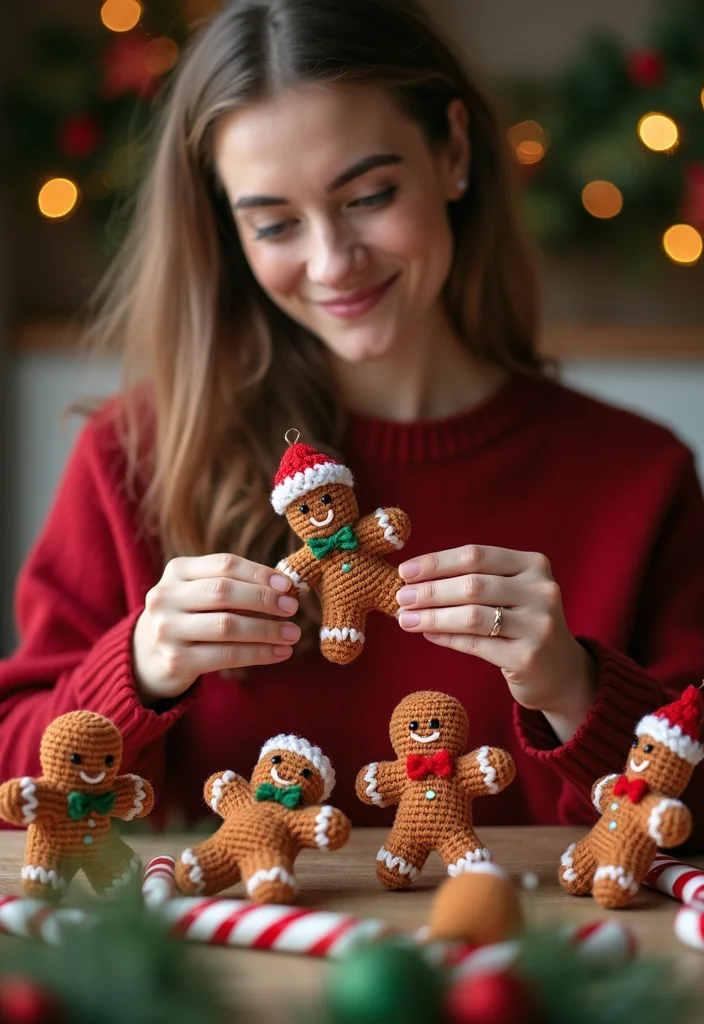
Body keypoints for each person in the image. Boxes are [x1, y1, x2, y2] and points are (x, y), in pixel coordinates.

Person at [3, 0, 704, 849]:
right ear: (226, 229)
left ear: (451, 152)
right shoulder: (133, 457)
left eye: (369, 195)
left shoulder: (638, 474)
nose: (332, 261)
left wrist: (574, 686)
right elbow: (17, 787)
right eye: (274, 223)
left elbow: (684, 819)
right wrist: (140, 670)